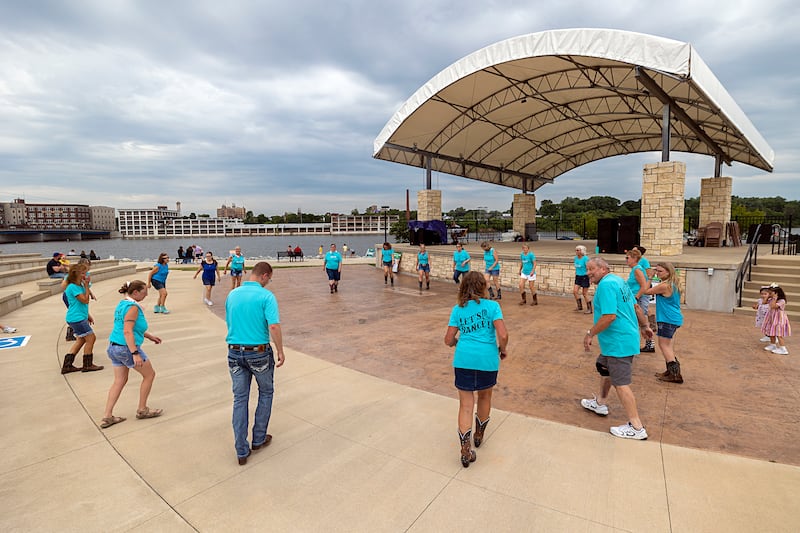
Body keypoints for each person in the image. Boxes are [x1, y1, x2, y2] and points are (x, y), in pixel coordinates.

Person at [581, 257, 652, 440]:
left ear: (604, 269)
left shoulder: (605, 286)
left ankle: (636, 427)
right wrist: (644, 326)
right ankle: (600, 403)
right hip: (620, 340)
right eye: (587, 269)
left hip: (618, 342)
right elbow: (635, 306)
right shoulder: (618, 280)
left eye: (591, 269)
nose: (588, 272)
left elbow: (609, 316)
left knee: (621, 384)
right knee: (604, 368)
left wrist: (590, 334)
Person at [444, 271, 508, 467]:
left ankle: (465, 450)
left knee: (465, 404)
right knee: (485, 396)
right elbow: (503, 334)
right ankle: (479, 436)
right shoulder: (493, 306)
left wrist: (458, 344)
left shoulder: (458, 309)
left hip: (464, 359)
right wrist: (502, 349)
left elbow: (448, 340)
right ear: (482, 287)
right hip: (487, 360)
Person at [225, 262, 285, 465]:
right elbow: (274, 326)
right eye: (269, 279)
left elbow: (230, 321)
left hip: (234, 351)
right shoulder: (266, 296)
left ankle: (241, 450)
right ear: (264, 276)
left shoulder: (232, 294)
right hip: (258, 351)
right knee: (266, 392)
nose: (268, 282)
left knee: (240, 399)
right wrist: (280, 350)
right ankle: (258, 438)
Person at [100, 280, 163, 429]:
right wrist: (135, 353)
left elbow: (131, 328)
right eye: (144, 293)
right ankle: (142, 409)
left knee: (119, 381)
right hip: (126, 348)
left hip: (114, 347)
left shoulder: (122, 304)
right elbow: (127, 331)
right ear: (135, 292)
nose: (146, 296)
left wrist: (149, 336)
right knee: (149, 375)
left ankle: (107, 416)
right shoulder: (133, 308)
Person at [644, 262, 684, 383]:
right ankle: (670, 371)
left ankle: (675, 374)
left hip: (667, 319)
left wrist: (650, 277)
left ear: (668, 272)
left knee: (664, 346)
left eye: (660, 271)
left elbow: (646, 291)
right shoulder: (672, 283)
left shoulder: (665, 286)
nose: (657, 273)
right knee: (667, 345)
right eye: (656, 270)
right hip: (672, 318)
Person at [61, 263, 104, 374]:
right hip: (76, 318)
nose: (86, 275)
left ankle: (67, 365)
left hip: (78, 317)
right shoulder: (73, 287)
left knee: (81, 340)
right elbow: (85, 300)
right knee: (91, 338)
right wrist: (86, 285)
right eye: (83, 273)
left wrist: (87, 315)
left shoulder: (78, 286)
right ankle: (87, 365)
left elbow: (81, 305)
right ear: (77, 274)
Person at [625, 249, 652, 353]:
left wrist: (636, 298)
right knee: (639, 322)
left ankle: (649, 344)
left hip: (639, 299)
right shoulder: (635, 269)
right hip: (637, 298)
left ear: (635, 259)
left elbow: (644, 286)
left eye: (628, 258)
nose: (626, 260)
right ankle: (646, 344)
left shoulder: (637, 269)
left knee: (642, 322)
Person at [762, 284, 791, 355]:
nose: (770, 294)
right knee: (771, 332)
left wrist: (774, 298)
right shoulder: (771, 299)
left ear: (776, 293)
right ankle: (773, 344)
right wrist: (767, 297)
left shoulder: (782, 301)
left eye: (771, 292)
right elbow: (764, 302)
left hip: (779, 319)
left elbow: (773, 306)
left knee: (779, 334)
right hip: (772, 318)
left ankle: (783, 349)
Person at [573, 245, 591, 313]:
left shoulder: (585, 258)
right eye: (576, 250)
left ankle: (589, 308)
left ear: (582, 251)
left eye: (578, 250)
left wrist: (590, 277)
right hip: (578, 276)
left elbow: (588, 268)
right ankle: (579, 306)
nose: (576, 251)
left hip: (585, 276)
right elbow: (576, 267)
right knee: (575, 291)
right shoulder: (575, 258)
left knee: (584, 293)